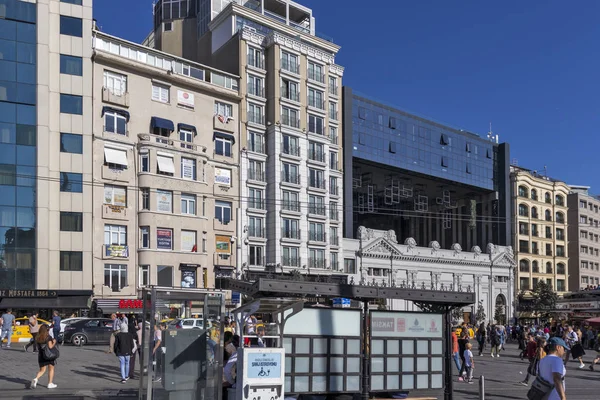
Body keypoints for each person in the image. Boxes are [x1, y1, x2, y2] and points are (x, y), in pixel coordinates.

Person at [30, 325, 58, 389]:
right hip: (49, 355)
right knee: (51, 369)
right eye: (48, 330)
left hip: (41, 355)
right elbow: (50, 346)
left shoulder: (38, 337)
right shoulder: (48, 337)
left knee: (42, 370)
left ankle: (36, 379)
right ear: (46, 330)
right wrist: (54, 342)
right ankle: (50, 383)